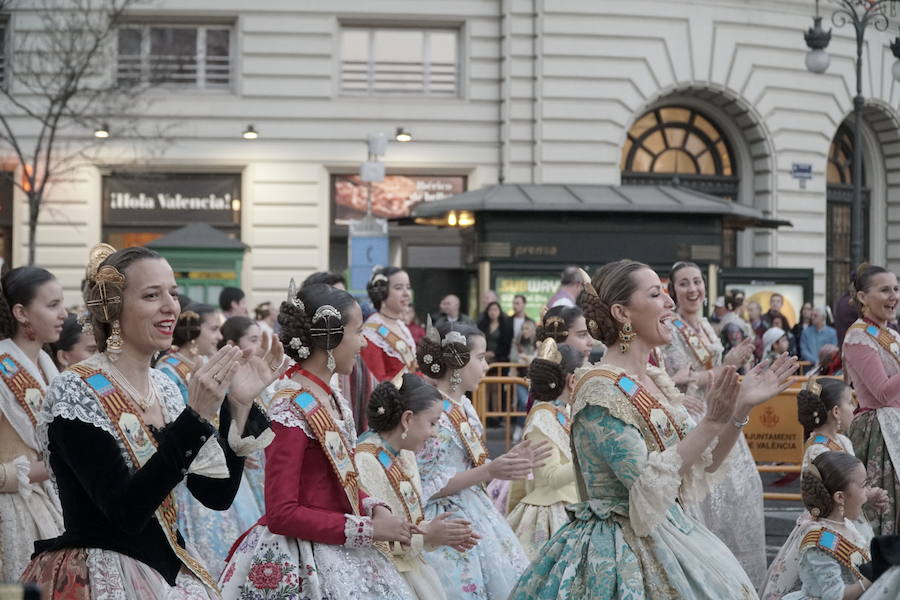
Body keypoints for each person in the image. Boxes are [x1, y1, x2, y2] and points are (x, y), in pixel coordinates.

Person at [510, 259, 798, 599]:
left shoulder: (654, 380)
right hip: (620, 549)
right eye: (656, 294)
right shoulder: (600, 389)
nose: (671, 302)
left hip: (671, 530)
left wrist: (741, 408)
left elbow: (705, 461)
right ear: (622, 312)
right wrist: (711, 421)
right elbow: (645, 486)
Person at [23, 245, 279, 599]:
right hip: (105, 575)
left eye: (173, 294)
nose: (170, 306)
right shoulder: (76, 391)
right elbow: (124, 513)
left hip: (167, 571)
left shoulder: (164, 388)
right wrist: (194, 418)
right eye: (151, 295)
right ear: (113, 309)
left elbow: (215, 495)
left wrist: (238, 405)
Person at [219, 282, 415, 600]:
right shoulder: (291, 407)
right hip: (303, 560)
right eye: (358, 332)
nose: (364, 343)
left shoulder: (331, 395)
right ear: (330, 339)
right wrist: (368, 529)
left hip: (340, 546)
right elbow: (281, 512)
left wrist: (374, 507)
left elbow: (340, 479)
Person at [415, 320, 549, 600]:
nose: (487, 367)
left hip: (475, 507)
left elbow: (472, 463)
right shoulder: (430, 410)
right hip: (445, 519)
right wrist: (491, 470)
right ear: (457, 361)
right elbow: (425, 485)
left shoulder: (463, 404)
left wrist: (506, 461)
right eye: (480, 358)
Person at [660, 260, 765, 589]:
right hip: (694, 420)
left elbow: (714, 373)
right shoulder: (670, 328)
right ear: (673, 291)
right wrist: (724, 368)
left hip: (722, 414)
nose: (693, 289)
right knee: (708, 496)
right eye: (684, 284)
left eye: (697, 282)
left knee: (741, 495)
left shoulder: (706, 325)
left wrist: (729, 366)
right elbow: (674, 380)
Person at [155, 306, 266, 577]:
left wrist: (237, 430)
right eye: (213, 329)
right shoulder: (167, 371)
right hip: (189, 465)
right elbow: (185, 423)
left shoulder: (204, 363)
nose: (218, 336)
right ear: (193, 332)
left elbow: (223, 409)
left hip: (215, 458)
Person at [358, 374, 480, 600]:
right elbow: (374, 538)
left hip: (410, 569)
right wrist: (425, 535)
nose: (434, 433)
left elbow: (407, 521)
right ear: (407, 419)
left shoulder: (404, 453)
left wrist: (438, 534)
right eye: (432, 423)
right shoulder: (365, 460)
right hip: (382, 578)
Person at [762, 378, 886, 599]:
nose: (854, 407)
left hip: (847, 518)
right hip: (831, 521)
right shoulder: (817, 449)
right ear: (836, 411)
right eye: (850, 402)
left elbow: (849, 485)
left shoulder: (842, 441)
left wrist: (867, 494)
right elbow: (834, 487)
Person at [0, 266, 66, 582]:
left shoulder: (46, 365)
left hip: (47, 503)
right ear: (21, 313)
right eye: (52, 306)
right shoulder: (2, 367)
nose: (63, 314)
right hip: (9, 512)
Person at [506, 339, 580, 561]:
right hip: (553, 514)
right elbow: (551, 477)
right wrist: (588, 458)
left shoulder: (562, 412)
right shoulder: (542, 418)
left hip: (572, 504)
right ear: (573, 380)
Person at [778, 452, 884, 599]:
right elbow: (835, 595)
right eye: (864, 485)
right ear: (840, 497)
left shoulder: (846, 525)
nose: (868, 491)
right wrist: (875, 574)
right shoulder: (820, 540)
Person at [845, 264, 900, 535]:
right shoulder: (858, 337)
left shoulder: (891, 335)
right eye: (885, 290)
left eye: (896, 289)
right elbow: (881, 393)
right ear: (863, 298)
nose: (893, 296)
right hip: (879, 434)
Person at [360, 266, 418, 382]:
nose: (406, 293)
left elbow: (412, 369)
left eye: (408, 287)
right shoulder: (372, 331)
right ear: (382, 292)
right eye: (399, 288)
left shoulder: (401, 326)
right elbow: (376, 381)